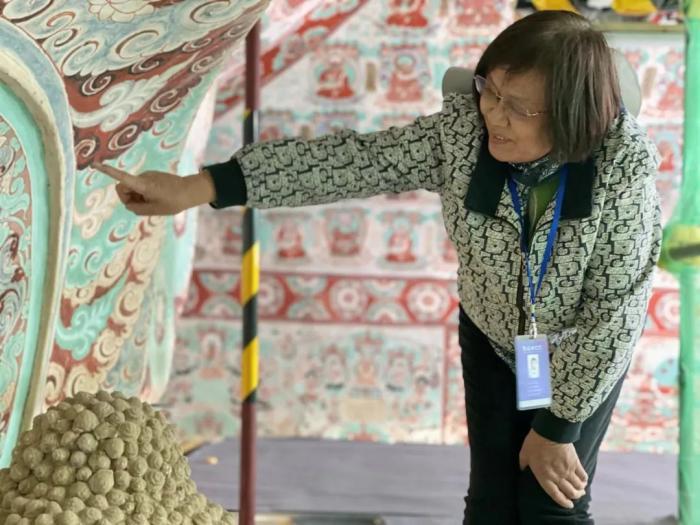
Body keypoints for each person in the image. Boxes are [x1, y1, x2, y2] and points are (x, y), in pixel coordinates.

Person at [95, 10, 661, 524]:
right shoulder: (462, 135)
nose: (495, 115)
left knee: (549, 505)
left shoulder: (622, 171)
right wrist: (197, 187)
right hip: (491, 338)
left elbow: (614, 315)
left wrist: (556, 429)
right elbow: (349, 163)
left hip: (578, 353)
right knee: (491, 504)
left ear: (569, 116)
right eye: (491, 92)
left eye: (519, 107)